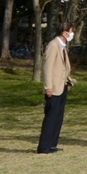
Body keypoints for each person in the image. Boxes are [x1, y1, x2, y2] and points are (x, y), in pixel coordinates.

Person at [36, 23, 76, 154]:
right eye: (70, 31)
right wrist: (48, 87)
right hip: (53, 88)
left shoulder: (62, 47)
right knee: (51, 117)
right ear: (64, 33)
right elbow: (47, 67)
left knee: (58, 117)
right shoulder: (53, 45)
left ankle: (52, 144)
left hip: (62, 86)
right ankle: (44, 146)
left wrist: (68, 79)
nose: (72, 34)